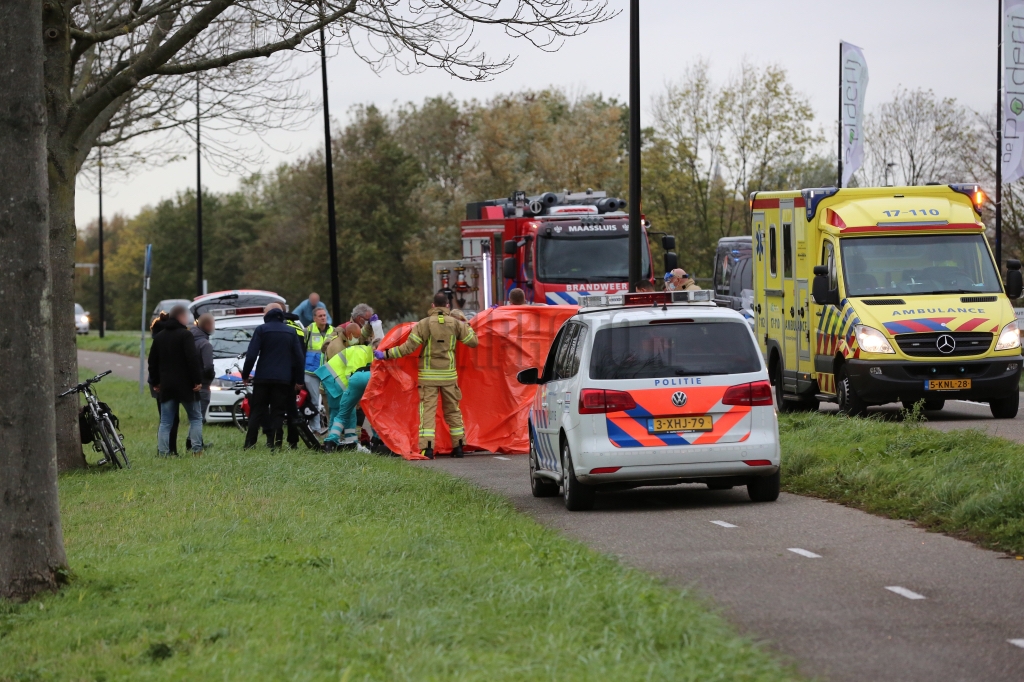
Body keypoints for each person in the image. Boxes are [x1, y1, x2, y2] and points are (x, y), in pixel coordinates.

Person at [374, 292, 478, 459]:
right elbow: (473, 341)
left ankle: (427, 449)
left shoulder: (423, 324)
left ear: (432, 306)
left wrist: (385, 354)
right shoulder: (456, 324)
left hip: (428, 377)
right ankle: (458, 447)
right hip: (449, 376)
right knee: (453, 411)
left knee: (428, 412)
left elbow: (407, 348)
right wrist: (466, 324)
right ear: (447, 306)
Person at [241, 303, 305, 450]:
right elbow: (299, 358)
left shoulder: (261, 330)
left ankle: (250, 443)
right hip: (283, 379)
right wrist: (299, 380)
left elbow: (251, 355)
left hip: (263, 378)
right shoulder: (290, 332)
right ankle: (275, 443)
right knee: (278, 411)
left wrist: (245, 375)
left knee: (257, 410)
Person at [148, 305, 204, 457]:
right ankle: (197, 450)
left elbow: (152, 362)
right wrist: (197, 380)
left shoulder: (159, 337)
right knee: (195, 417)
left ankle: (163, 452)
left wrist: (155, 382)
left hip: (167, 385)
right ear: (181, 317)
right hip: (186, 385)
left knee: (166, 422)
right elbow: (192, 359)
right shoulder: (185, 336)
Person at [316, 340, 374, 451]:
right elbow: (352, 374)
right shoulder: (363, 353)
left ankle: (333, 441)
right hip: (338, 381)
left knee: (336, 412)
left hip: (330, 379)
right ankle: (350, 442)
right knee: (348, 412)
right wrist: (353, 394)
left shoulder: (363, 352)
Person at [187, 313, 216, 450]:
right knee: (199, 417)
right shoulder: (205, 344)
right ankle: (195, 444)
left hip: (188, 383)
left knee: (194, 415)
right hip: (203, 384)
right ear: (207, 325)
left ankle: (191, 440)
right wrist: (210, 376)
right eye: (213, 324)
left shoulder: (189, 340)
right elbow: (208, 366)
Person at [303, 307, 334, 432]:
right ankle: (315, 428)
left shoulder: (333, 331)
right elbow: (301, 349)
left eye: (324, 315)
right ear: (314, 318)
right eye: (320, 316)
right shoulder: (308, 330)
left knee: (330, 402)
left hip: (327, 371)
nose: (323, 318)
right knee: (314, 401)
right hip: (311, 372)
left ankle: (332, 428)